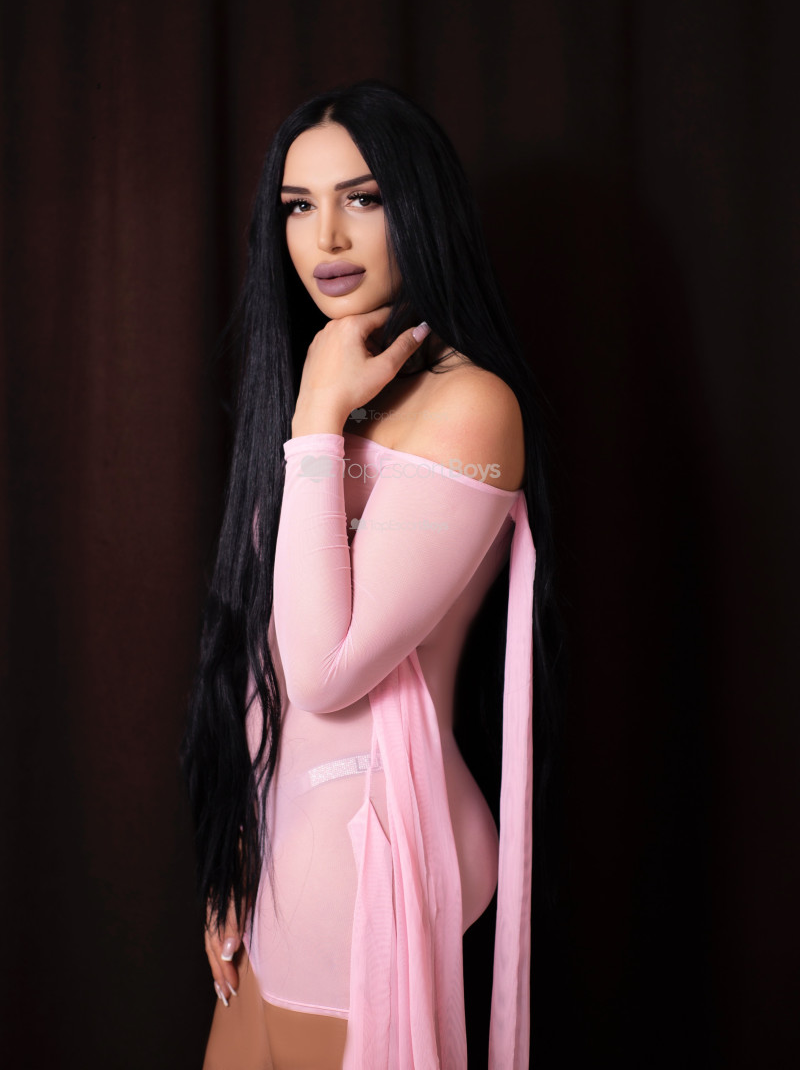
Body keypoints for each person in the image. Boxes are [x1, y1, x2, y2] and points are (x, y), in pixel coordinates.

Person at [181, 80, 560, 1069]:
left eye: (364, 197)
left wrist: (314, 420)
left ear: (419, 205)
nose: (327, 237)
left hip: (375, 837)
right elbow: (264, 656)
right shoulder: (334, 385)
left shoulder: (470, 405)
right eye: (298, 206)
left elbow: (325, 673)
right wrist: (237, 851)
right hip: (289, 840)